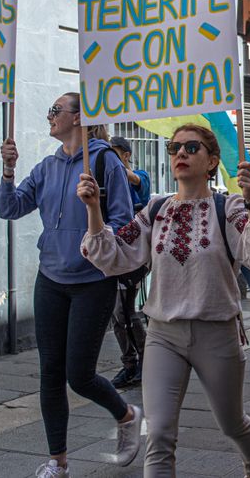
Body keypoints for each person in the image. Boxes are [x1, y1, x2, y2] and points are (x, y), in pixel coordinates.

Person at [78, 124, 250, 478]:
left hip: (217, 334)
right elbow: (114, 254)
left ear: (212, 162)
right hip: (163, 335)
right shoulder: (155, 209)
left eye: (192, 147)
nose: (180, 154)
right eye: (174, 147)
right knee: (158, 435)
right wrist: (94, 208)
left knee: (232, 423)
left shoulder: (229, 206)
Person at [0, 93, 141, 477]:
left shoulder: (105, 161)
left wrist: (95, 208)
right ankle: (57, 461)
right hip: (50, 281)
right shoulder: (46, 167)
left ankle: (126, 414)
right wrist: (8, 171)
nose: (49, 116)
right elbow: (9, 208)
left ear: (80, 117)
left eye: (55, 110)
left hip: (93, 281)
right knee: (50, 372)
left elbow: (124, 223)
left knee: (79, 374)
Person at [105, 136, 152, 389]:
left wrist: (110, 165)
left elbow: (135, 180)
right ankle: (129, 363)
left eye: (113, 154)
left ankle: (144, 361)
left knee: (126, 310)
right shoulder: (108, 182)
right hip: (113, 256)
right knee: (117, 313)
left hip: (134, 258)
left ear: (125, 155)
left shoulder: (139, 177)